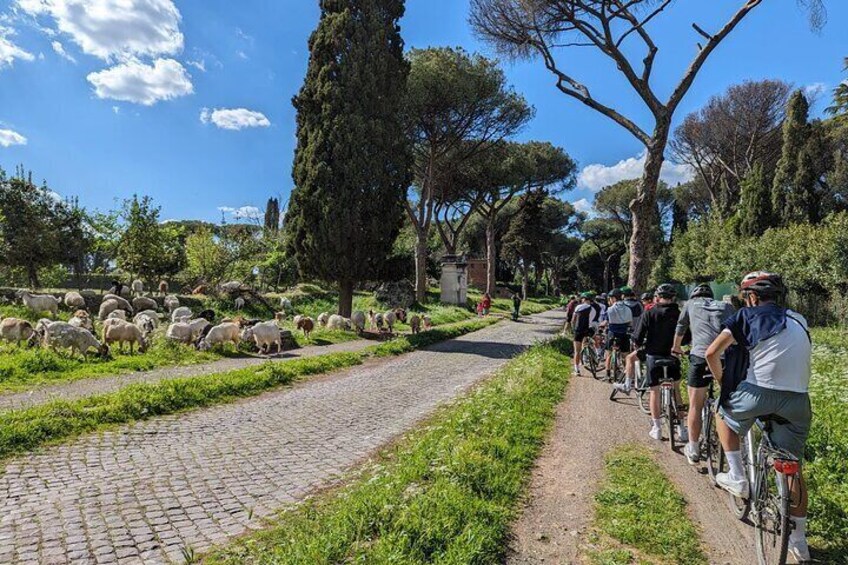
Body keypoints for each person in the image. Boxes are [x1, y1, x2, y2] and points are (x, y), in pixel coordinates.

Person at [705, 272, 812, 563]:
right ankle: (800, 542)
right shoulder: (798, 319)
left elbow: (712, 353)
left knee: (723, 414)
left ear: (751, 297)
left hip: (758, 393)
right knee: (792, 467)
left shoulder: (744, 316)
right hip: (798, 399)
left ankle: (737, 476)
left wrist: (723, 383)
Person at [672, 283, 735, 465]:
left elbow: (681, 326)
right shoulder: (726, 306)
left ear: (693, 296)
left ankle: (693, 448)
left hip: (700, 356)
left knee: (695, 405)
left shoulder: (690, 304)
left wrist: (676, 347)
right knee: (729, 400)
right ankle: (735, 448)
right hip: (725, 357)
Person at [633, 284, 687, 441]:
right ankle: (682, 428)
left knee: (654, 391)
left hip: (653, 356)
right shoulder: (679, 314)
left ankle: (656, 428)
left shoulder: (649, 313)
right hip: (672, 356)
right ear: (673, 297)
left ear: (657, 297)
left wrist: (638, 344)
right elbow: (687, 337)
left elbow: (637, 337)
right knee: (676, 389)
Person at [601, 289, 633, 374]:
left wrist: (601, 326)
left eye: (610, 298)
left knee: (608, 353)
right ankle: (627, 374)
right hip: (624, 334)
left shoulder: (610, 309)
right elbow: (630, 323)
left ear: (614, 298)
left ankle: (607, 373)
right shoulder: (628, 309)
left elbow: (605, 321)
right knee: (625, 355)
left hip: (612, 333)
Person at [571, 292, 596, 375]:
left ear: (584, 299)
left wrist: (573, 328)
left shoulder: (578, 307)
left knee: (577, 351)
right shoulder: (593, 309)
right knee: (585, 344)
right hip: (587, 330)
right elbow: (591, 321)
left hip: (578, 330)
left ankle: (577, 370)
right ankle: (587, 357)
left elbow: (573, 320)